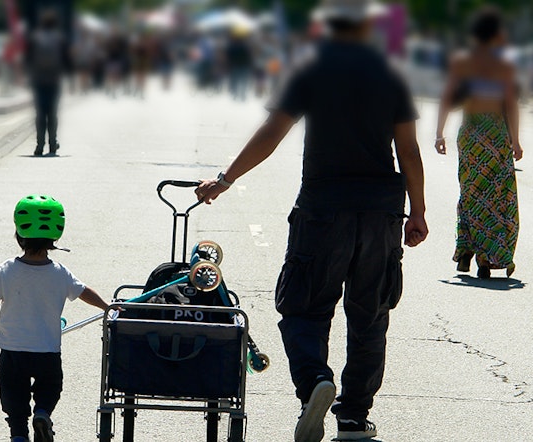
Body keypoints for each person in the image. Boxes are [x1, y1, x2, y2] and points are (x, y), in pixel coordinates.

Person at [194, 0, 428, 441]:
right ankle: (354, 416)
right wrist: (417, 212)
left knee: (303, 307)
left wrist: (224, 180)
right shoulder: (392, 76)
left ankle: (314, 382)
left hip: (323, 209)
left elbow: (271, 134)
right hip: (380, 213)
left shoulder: (310, 71)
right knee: (370, 314)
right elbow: (409, 152)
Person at [0, 195, 109, 442]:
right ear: (54, 238)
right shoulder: (60, 273)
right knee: (50, 388)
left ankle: (18, 435)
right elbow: (84, 292)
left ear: (19, 235)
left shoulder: (7, 270)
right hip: (46, 350)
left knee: (13, 395)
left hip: (13, 350)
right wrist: (106, 306)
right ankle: (43, 413)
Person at [435, 6, 523, 279]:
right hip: (495, 136)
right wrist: (516, 141)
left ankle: (466, 251)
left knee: (472, 195)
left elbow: (448, 98)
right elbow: (510, 105)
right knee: (497, 199)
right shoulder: (503, 65)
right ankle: (489, 258)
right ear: (497, 34)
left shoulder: (462, 61)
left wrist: (439, 133)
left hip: (471, 136)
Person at [26, 10, 70, 156]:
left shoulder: (34, 38)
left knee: (40, 113)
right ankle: (52, 143)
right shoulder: (60, 38)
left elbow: (28, 59)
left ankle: (39, 145)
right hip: (54, 80)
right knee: (52, 113)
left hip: (38, 80)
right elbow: (67, 60)